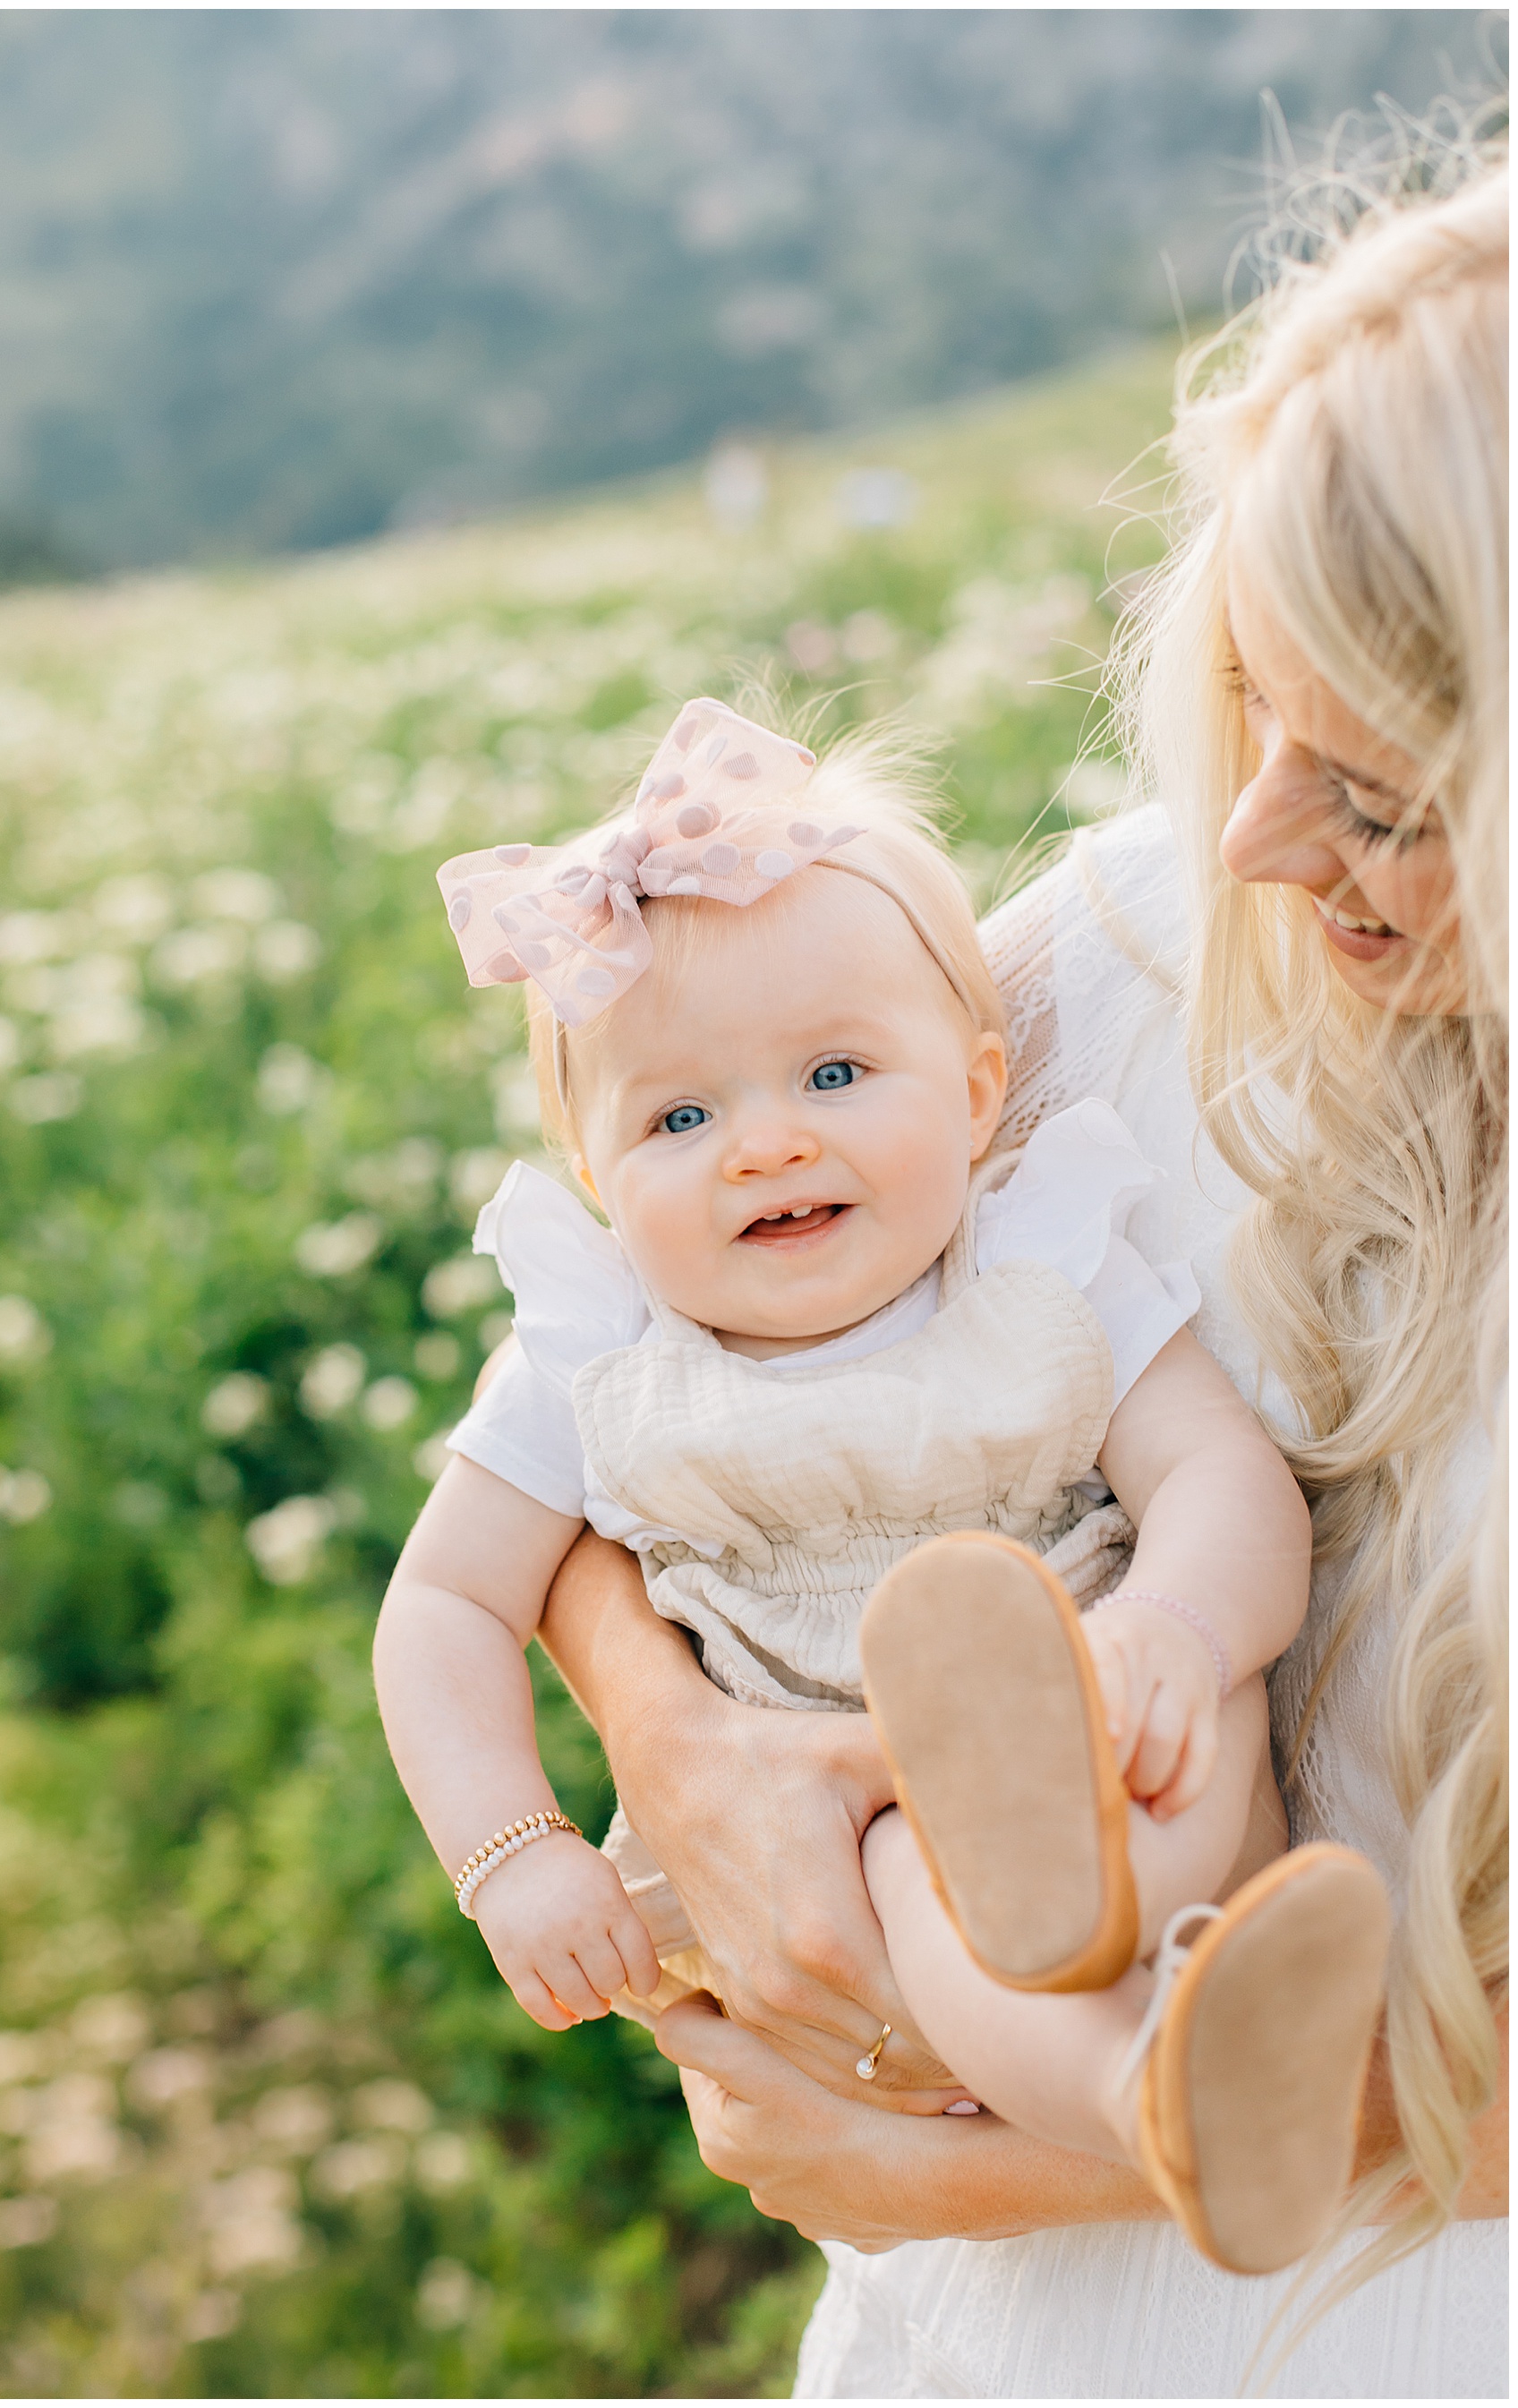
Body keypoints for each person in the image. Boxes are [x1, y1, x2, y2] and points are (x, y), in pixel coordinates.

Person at [532, 150, 1508, 2394]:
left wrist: (1032, 2159)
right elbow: (633, 1377)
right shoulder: (1143, 945)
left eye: (1378, 783)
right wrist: (677, 1735)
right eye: (1254, 708)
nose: (1259, 829)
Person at [375, 696, 1392, 2276]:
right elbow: (443, 1602)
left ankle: (1140, 1949)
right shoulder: (600, 1358)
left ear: (981, 1093)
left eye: (836, 1073)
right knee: (931, 1870)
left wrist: (1184, 1633)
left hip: (1123, 1745)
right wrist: (511, 1847)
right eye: (681, 1115)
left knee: (1174, 1719)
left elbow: (1221, 1479)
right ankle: (1161, 2086)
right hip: (855, 1848)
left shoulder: (1042, 1263)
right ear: (593, 1174)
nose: (764, 1146)